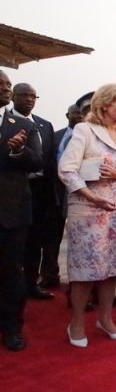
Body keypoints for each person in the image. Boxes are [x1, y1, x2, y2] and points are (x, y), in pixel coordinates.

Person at [59, 84, 116, 347]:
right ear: (104, 104)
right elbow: (66, 170)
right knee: (86, 269)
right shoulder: (85, 130)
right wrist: (92, 196)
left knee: (113, 267)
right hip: (89, 209)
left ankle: (105, 319)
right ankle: (76, 323)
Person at [0, 70, 43, 351]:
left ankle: (11, 328)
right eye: (1, 84)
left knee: (11, 273)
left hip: (11, 214)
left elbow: (37, 160)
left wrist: (18, 152)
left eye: (7, 84)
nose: (6, 88)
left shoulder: (22, 124)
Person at [9, 83, 58, 299]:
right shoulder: (6, 123)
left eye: (33, 96)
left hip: (40, 193)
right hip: (14, 190)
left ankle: (31, 284)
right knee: (14, 243)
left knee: (36, 241)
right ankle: (13, 287)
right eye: (24, 95)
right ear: (13, 97)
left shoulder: (45, 125)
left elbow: (49, 159)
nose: (29, 99)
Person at [41, 104, 85, 290]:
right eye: (75, 113)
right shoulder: (55, 135)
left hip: (83, 194)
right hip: (56, 195)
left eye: (82, 113)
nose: (79, 116)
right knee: (52, 238)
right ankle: (50, 275)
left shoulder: (90, 137)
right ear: (67, 115)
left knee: (82, 241)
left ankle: (82, 283)